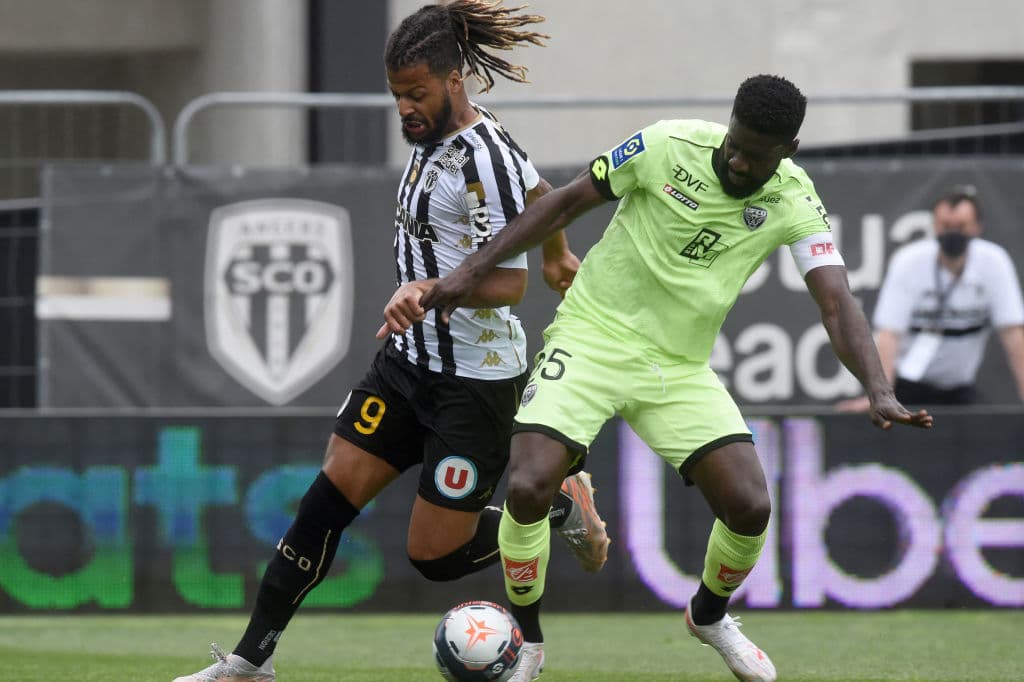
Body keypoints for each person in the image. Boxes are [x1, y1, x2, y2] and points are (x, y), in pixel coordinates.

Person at [418, 74, 935, 682]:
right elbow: (562, 203)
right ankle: (528, 643)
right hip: (590, 339)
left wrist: (877, 387)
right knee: (530, 485)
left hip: (678, 368)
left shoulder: (794, 198)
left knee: (750, 506)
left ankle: (709, 616)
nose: (738, 161)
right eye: (734, 144)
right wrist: (471, 270)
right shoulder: (666, 146)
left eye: (755, 156)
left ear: (787, 152)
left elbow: (836, 300)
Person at [173, 2, 609, 681]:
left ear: (454, 81)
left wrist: (433, 288)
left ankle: (555, 506)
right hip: (407, 364)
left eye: (417, 93)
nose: (405, 108)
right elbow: (541, 191)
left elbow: (509, 287)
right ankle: (248, 663)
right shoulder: (443, 142)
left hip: (474, 383)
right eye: (397, 95)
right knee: (325, 500)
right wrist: (557, 247)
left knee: (434, 557)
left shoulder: (482, 158)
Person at [836, 185, 1024, 411]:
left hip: (959, 388)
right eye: (945, 226)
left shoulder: (994, 263)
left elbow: (1013, 335)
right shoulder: (909, 262)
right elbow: (889, 336)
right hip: (909, 386)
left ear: (977, 228)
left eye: (961, 226)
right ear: (934, 226)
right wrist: (880, 395)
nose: (953, 233)